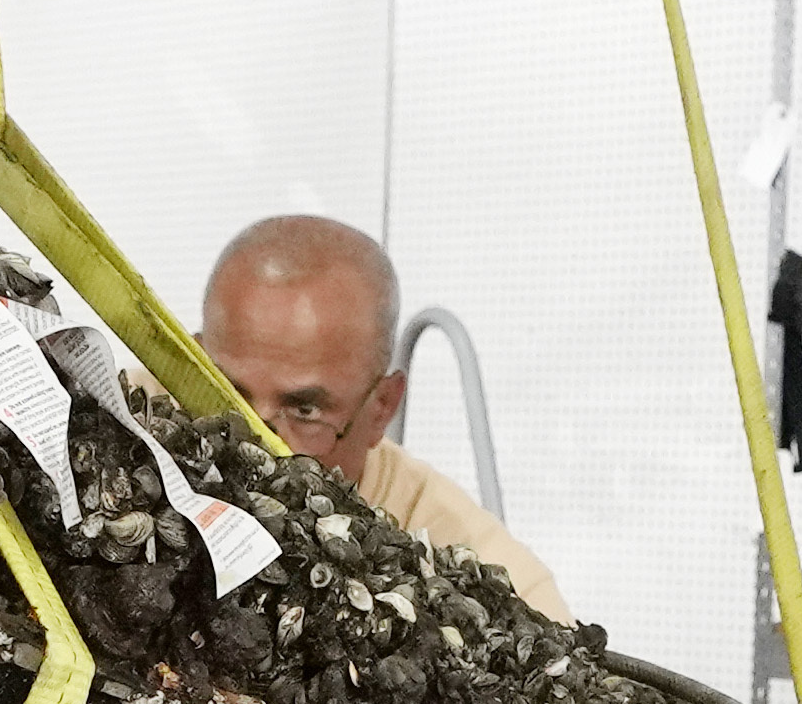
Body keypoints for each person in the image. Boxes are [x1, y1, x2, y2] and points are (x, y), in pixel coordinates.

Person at [191, 213, 569, 619]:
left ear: (383, 407)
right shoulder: (134, 408)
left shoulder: (500, 583)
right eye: (225, 391)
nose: (250, 444)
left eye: (304, 410)